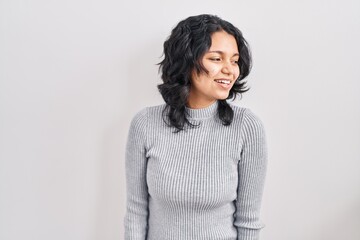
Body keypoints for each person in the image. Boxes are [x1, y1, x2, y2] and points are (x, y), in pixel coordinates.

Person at [124, 14, 268, 240]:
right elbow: (136, 211)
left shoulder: (246, 127)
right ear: (187, 61)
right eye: (216, 59)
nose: (230, 70)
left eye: (234, 60)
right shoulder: (145, 124)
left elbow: (248, 221)